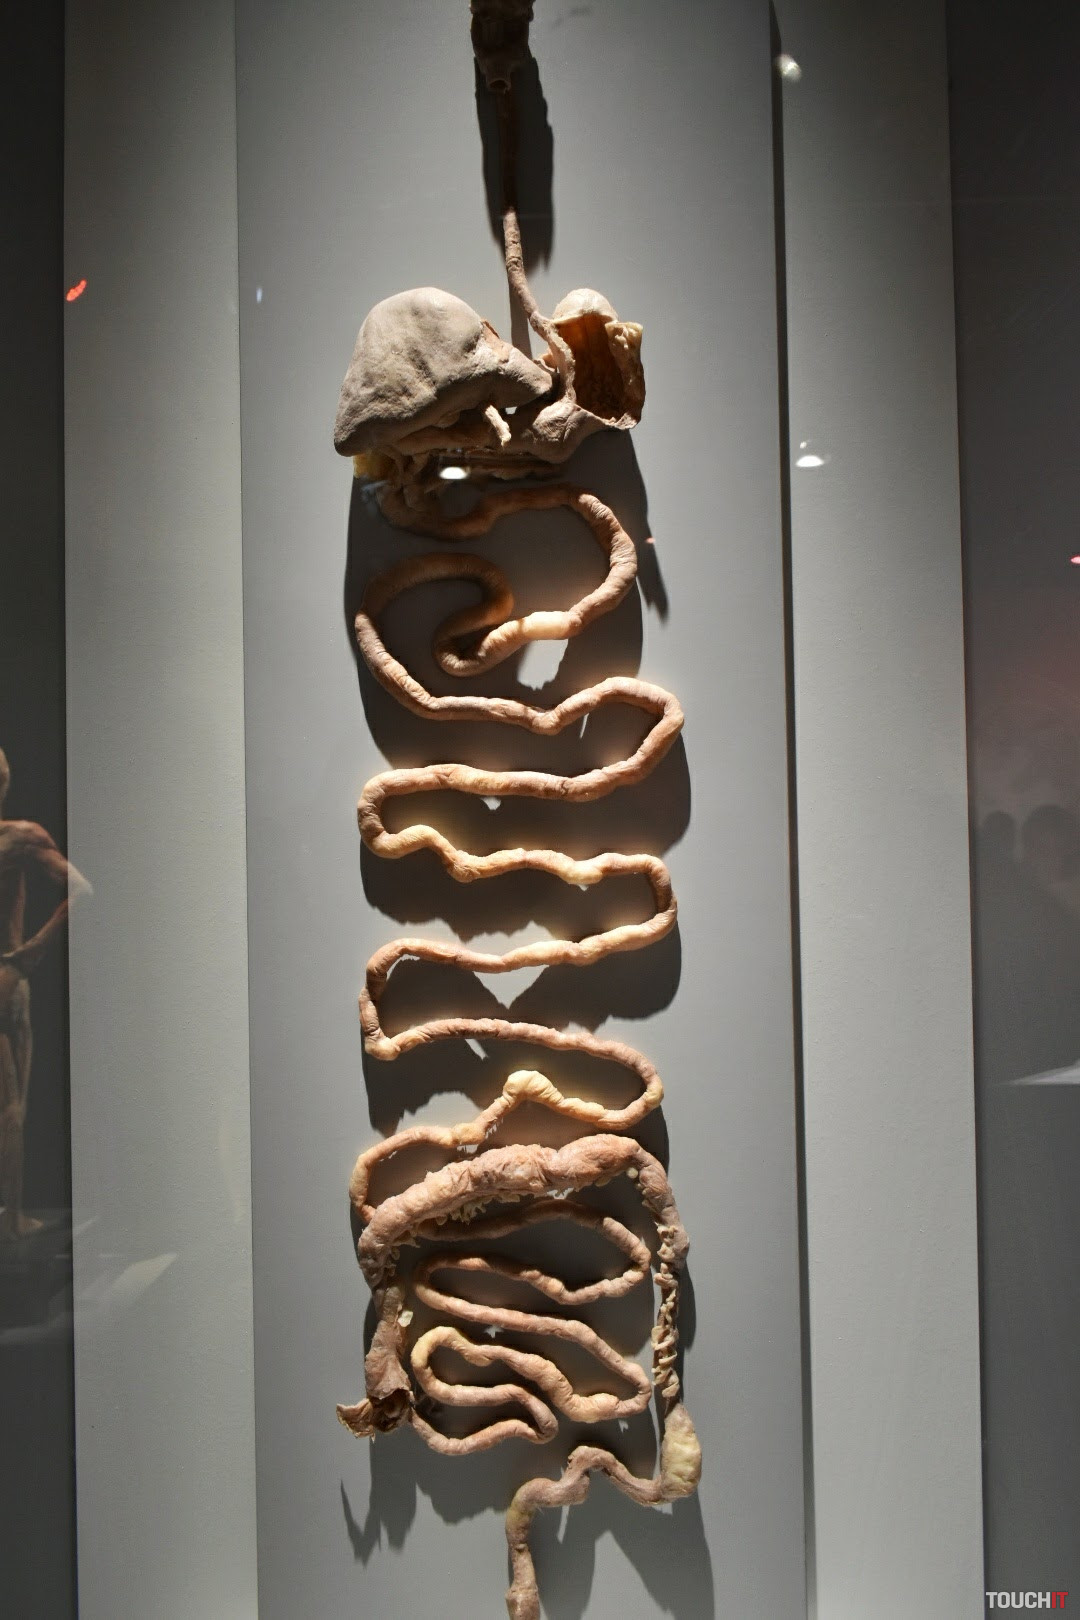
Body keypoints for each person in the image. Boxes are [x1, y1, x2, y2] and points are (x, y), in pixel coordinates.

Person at [0, 747, 90, 1238]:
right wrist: (32, 950)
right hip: (6, 974)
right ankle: (13, 1218)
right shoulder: (19, 837)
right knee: (11, 1102)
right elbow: (81, 890)